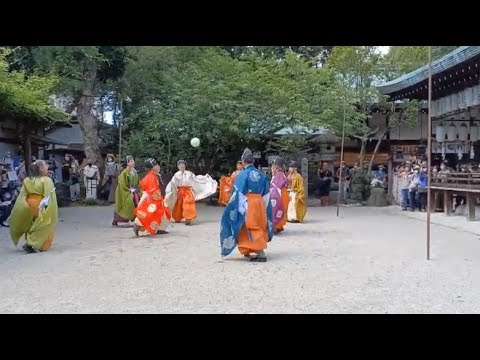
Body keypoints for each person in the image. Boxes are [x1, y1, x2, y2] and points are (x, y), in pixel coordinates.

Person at [220, 148, 274, 262]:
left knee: (250, 226)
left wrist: (236, 207)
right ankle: (248, 248)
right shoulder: (261, 174)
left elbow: (238, 193)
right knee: (256, 224)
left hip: (248, 202)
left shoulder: (242, 174)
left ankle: (261, 252)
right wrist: (264, 207)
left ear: (243, 161)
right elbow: (266, 194)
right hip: (259, 202)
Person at [8, 160, 58, 253]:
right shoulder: (46, 180)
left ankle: (30, 242)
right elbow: (49, 195)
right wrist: (50, 209)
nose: (47, 167)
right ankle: (34, 243)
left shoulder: (27, 180)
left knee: (31, 225)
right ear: (41, 169)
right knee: (43, 224)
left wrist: (20, 208)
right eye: (45, 166)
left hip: (28, 205)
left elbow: (22, 194)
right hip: (40, 205)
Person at [133, 158, 171, 236]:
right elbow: (152, 190)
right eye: (156, 165)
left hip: (153, 196)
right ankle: (138, 225)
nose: (158, 166)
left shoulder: (153, 175)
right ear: (152, 167)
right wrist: (158, 199)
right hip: (151, 197)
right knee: (149, 213)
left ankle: (160, 228)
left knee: (161, 212)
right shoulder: (151, 177)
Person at [112, 156, 141, 226]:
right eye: (131, 161)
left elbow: (138, 183)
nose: (133, 162)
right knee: (130, 200)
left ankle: (137, 218)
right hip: (125, 190)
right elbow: (121, 183)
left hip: (134, 190)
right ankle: (127, 218)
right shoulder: (124, 172)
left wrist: (138, 189)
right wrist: (128, 190)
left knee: (140, 197)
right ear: (127, 163)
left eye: (133, 161)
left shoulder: (134, 172)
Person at [167, 160, 197, 225]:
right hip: (180, 191)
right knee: (179, 205)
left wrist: (194, 190)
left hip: (188, 191)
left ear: (185, 166)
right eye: (180, 165)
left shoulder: (190, 174)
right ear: (178, 166)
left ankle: (188, 218)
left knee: (188, 204)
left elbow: (195, 181)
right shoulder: (176, 175)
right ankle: (177, 218)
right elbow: (172, 184)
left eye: (183, 165)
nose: (181, 166)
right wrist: (170, 191)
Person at [270, 157, 288, 233]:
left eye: (273, 164)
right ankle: (278, 226)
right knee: (278, 210)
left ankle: (276, 226)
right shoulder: (278, 174)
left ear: (277, 166)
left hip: (279, 195)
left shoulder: (279, 174)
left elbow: (277, 186)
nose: (272, 166)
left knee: (276, 210)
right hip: (280, 194)